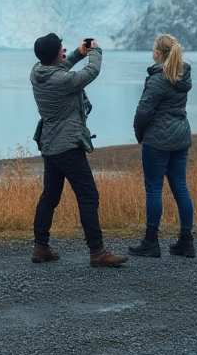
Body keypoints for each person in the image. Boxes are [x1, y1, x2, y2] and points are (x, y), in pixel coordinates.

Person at [29, 32, 128, 268]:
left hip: (50, 145)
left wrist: (77, 53)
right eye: (61, 49)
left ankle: (40, 247)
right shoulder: (62, 81)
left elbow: (59, 66)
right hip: (67, 146)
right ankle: (97, 252)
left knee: (50, 196)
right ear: (54, 54)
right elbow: (90, 73)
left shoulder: (36, 72)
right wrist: (95, 52)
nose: (64, 50)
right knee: (88, 195)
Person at [130, 33, 196, 258]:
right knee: (180, 187)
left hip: (157, 140)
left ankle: (151, 242)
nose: (152, 52)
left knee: (154, 189)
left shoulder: (159, 79)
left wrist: (140, 134)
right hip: (180, 136)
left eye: (153, 49)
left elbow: (143, 112)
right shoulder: (183, 75)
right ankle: (186, 242)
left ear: (158, 53)